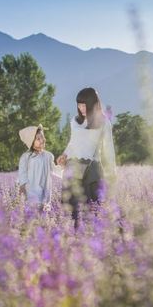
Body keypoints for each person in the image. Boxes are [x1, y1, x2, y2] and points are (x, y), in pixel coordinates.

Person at [57, 87, 117, 226]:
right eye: (79, 104)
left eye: (84, 104)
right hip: (72, 170)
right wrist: (64, 154)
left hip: (92, 171)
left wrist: (111, 174)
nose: (81, 108)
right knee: (72, 212)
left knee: (92, 211)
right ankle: (72, 241)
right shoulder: (75, 121)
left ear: (92, 104)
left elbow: (109, 150)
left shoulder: (103, 122)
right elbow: (72, 143)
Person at [17, 124, 63, 210]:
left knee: (44, 218)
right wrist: (23, 195)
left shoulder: (48, 156)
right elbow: (22, 177)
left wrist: (61, 165)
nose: (42, 140)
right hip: (31, 197)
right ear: (31, 142)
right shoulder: (26, 157)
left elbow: (56, 171)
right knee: (32, 219)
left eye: (43, 137)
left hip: (45, 197)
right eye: (38, 138)